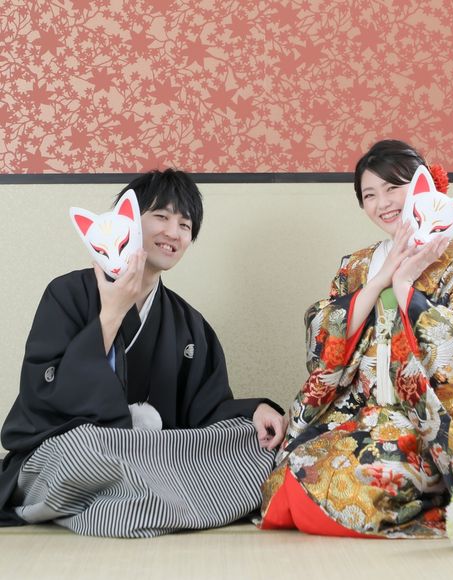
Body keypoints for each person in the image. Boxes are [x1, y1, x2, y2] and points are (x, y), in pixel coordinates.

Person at [260, 140, 453, 538]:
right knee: (283, 485)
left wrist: (406, 285)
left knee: (355, 490)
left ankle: (435, 486)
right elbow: (323, 343)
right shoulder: (355, 265)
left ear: (423, 189)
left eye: (393, 188)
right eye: (369, 195)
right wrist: (381, 278)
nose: (382, 203)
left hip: (420, 421)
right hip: (355, 410)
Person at [0, 168, 286, 537]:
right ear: (128, 220)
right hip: (72, 451)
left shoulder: (189, 322)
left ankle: (124, 506)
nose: (173, 232)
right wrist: (112, 312)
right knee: (83, 451)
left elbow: (205, 412)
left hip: (148, 454)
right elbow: (44, 393)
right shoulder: (67, 293)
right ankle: (163, 503)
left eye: (185, 225)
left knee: (256, 444)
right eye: (161, 216)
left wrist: (254, 411)